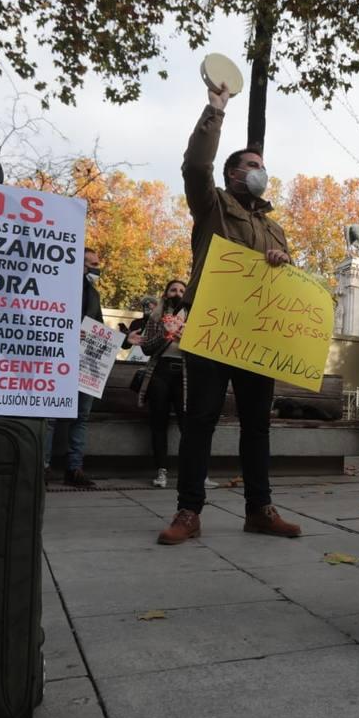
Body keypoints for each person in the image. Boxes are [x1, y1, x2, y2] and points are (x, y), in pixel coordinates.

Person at [156, 80, 301, 546]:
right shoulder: (213, 205)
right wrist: (215, 109)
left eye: (263, 166)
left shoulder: (276, 228)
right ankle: (188, 510)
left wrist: (283, 264)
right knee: (200, 420)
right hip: (213, 329)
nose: (260, 171)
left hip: (258, 337)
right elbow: (195, 164)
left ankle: (260, 508)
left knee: (257, 426)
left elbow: (285, 289)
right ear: (233, 174)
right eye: (251, 165)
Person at [41, 247, 110, 489]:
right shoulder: (58, 287)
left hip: (86, 361)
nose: (95, 268)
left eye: (96, 263)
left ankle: (74, 468)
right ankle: (43, 468)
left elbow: (98, 325)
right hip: (57, 359)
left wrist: (122, 340)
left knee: (81, 416)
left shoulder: (94, 294)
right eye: (91, 264)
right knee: (50, 416)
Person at [137, 279, 188, 488]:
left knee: (188, 423)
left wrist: (187, 338)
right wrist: (166, 335)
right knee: (159, 422)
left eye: (182, 290)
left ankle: (193, 472)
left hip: (184, 375)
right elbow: (146, 347)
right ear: (166, 294)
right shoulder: (155, 317)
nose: (177, 293)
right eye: (173, 290)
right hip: (160, 372)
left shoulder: (194, 316)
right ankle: (161, 470)